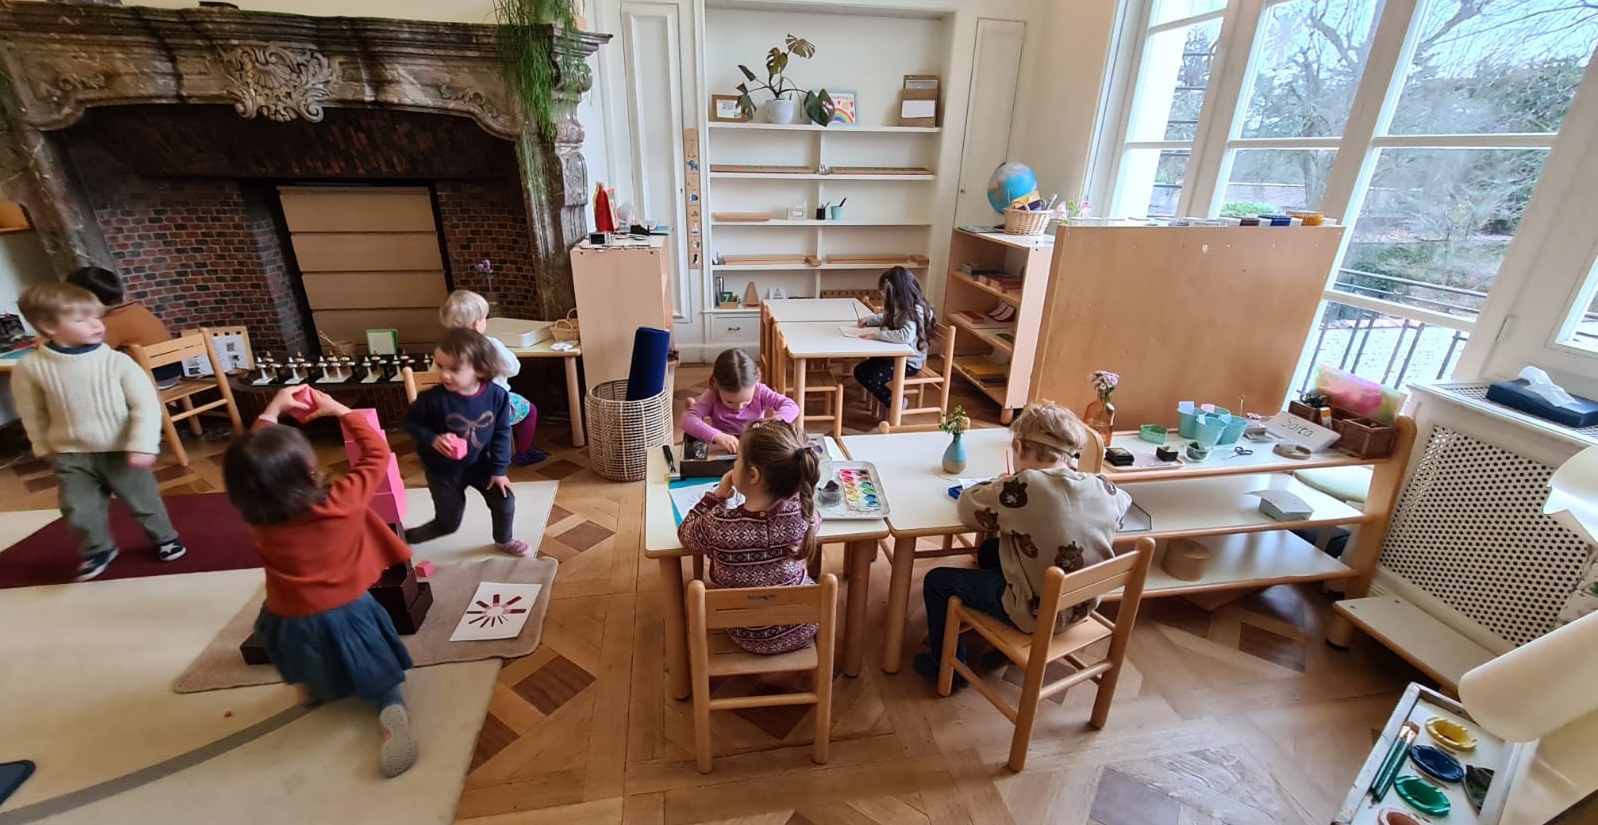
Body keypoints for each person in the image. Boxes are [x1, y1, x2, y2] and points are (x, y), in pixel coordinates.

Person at [222, 386, 418, 778]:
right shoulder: (340, 501)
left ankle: (313, 689)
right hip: (345, 609)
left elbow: (251, 463)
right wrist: (341, 410)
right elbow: (377, 454)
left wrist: (272, 409)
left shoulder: (255, 516)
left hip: (287, 612)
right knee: (373, 667)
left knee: (302, 654)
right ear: (309, 471)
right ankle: (390, 711)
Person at [916, 403, 1132, 686]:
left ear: (1018, 448)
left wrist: (1004, 482)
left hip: (1035, 613)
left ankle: (949, 672)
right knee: (989, 552)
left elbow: (969, 507)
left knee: (937, 581)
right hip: (1081, 604)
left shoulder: (1025, 487)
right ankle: (999, 648)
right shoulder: (1104, 486)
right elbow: (1123, 508)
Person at [11, 283, 187, 581]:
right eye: (82, 319)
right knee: (78, 508)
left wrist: (144, 444)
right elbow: (32, 413)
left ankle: (164, 538)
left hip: (121, 450)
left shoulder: (118, 362)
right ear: (47, 326)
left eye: (97, 317)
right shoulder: (31, 369)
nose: (97, 324)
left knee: (144, 501)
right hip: (70, 454)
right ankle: (98, 548)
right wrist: (43, 447)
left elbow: (146, 405)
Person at [677, 419, 821, 655]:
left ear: (752, 475)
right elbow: (815, 519)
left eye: (737, 460)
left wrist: (716, 496)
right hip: (801, 628)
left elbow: (685, 534)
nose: (733, 465)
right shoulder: (804, 515)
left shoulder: (719, 523)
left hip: (745, 633)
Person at [403, 328, 528, 557]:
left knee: (504, 499)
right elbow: (410, 423)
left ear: (480, 369)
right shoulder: (431, 400)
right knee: (448, 523)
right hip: (442, 471)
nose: (444, 375)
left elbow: (501, 433)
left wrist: (499, 470)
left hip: (479, 464)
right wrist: (433, 439)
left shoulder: (497, 396)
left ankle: (504, 540)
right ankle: (405, 537)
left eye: (454, 369)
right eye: (440, 366)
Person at [438, 289, 544, 466]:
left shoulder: (445, 350)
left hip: (458, 409)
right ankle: (524, 452)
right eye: (484, 319)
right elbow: (514, 368)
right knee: (530, 410)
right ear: (475, 325)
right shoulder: (490, 345)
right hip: (494, 408)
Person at [66, 265, 182, 389]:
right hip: (173, 372)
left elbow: (86, 354)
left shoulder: (111, 322)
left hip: (153, 378)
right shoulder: (135, 308)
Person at [680, 348, 799, 454]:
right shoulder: (713, 394)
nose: (738, 408)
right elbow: (687, 420)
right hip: (723, 449)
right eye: (730, 402)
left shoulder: (760, 391)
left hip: (754, 447)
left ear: (756, 380)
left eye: (746, 401)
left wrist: (776, 419)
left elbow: (792, 406)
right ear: (717, 384)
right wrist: (717, 436)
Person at [853, 266, 935, 413]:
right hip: (893, 356)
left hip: (909, 362)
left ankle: (895, 402)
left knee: (872, 377)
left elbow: (905, 336)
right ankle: (891, 399)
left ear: (896, 292)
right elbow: (886, 317)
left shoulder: (912, 310)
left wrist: (877, 335)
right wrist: (869, 320)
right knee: (860, 370)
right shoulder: (899, 305)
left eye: (885, 291)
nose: (882, 294)